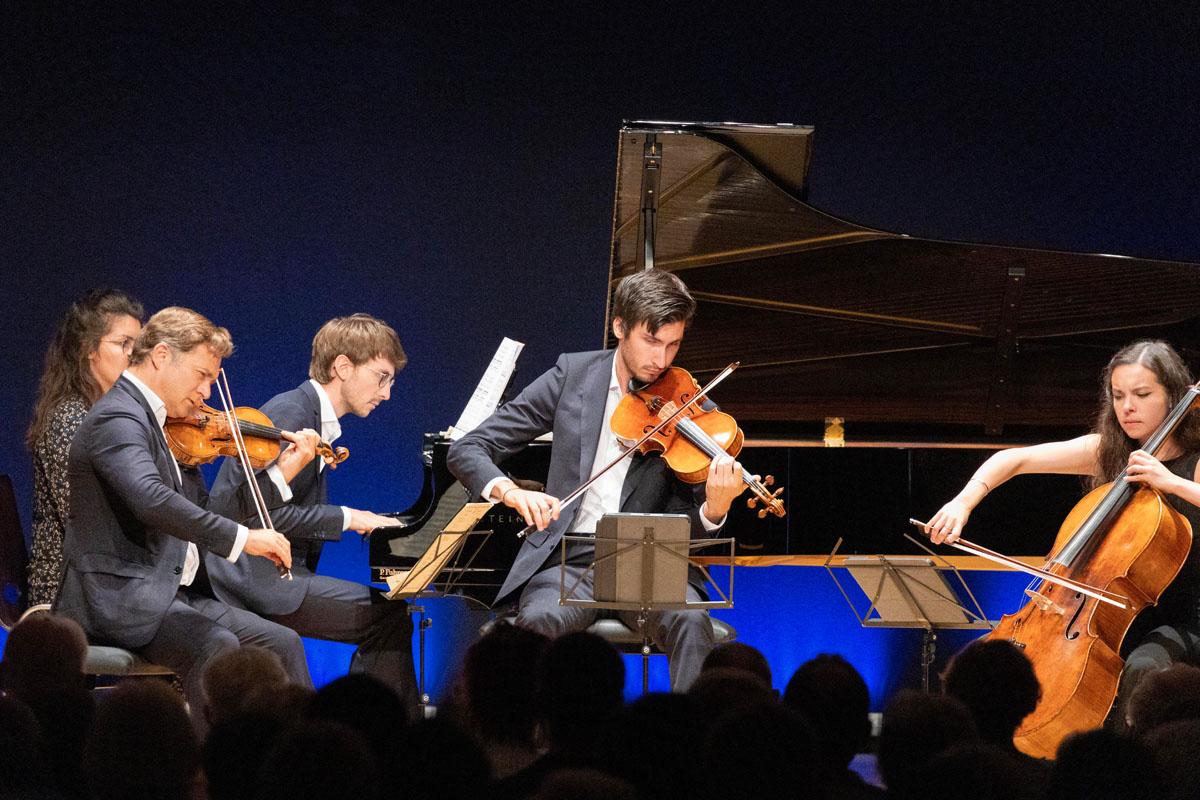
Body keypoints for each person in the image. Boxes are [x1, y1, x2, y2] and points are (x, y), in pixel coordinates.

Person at [447, 268, 748, 690]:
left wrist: (714, 508)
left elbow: (688, 530)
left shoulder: (690, 407)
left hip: (649, 565)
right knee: (537, 621)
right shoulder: (572, 376)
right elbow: (468, 448)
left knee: (690, 621)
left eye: (673, 344)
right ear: (620, 328)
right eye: (651, 341)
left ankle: (690, 729)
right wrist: (510, 491)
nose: (662, 360)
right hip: (568, 560)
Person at [52, 306, 315, 716]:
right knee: (216, 646)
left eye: (212, 379)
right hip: (119, 598)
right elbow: (150, 499)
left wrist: (281, 474)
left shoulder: (167, 424)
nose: (207, 392)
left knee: (282, 644)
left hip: (169, 592)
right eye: (201, 375)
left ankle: (300, 749)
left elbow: (208, 512)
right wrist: (244, 539)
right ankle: (209, 757)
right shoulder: (118, 417)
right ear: (160, 356)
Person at [925, 339, 1200, 718]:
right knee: (989, 667)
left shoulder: (1194, 463)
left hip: (1182, 618)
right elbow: (1014, 459)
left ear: (1173, 396)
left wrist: (1171, 482)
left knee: (1141, 669)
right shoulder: (1110, 451)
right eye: (1118, 395)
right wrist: (963, 502)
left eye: (1141, 394)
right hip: (1106, 618)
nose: (1127, 407)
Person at [206, 313, 419, 715]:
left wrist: (354, 517)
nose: (387, 393)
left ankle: (365, 726)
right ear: (343, 367)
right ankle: (378, 731)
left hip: (270, 573)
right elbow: (253, 515)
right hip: (249, 577)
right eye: (382, 378)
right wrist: (351, 518)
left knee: (389, 613)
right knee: (388, 617)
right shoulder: (292, 413)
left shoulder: (310, 415)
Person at [26, 289, 144, 607]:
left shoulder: (110, 413)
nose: (133, 356)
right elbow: (87, 521)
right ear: (90, 349)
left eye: (137, 346)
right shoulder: (68, 419)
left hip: (108, 576)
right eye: (123, 344)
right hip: (69, 590)